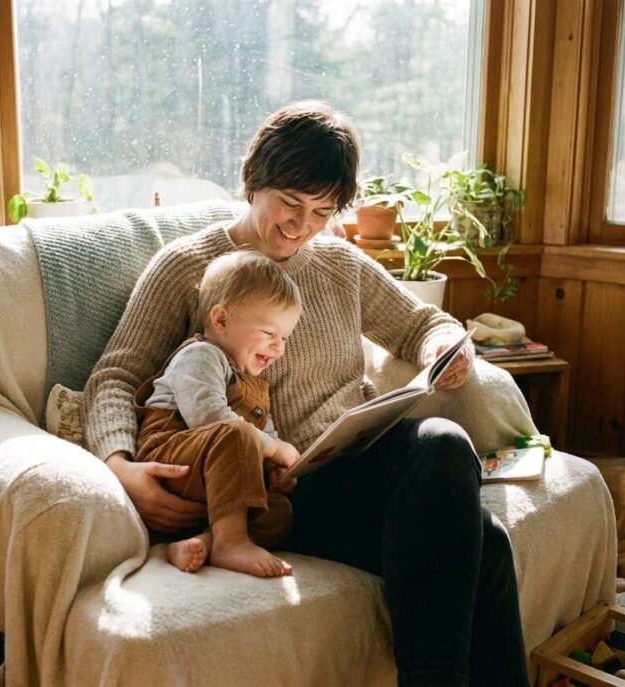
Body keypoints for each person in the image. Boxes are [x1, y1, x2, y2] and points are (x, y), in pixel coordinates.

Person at [84, 100, 530, 687]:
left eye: (321, 212)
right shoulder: (187, 267)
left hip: (355, 463)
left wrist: (444, 349)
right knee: (485, 541)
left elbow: (423, 323)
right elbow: (115, 376)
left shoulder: (341, 266)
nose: (300, 226)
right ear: (254, 181)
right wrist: (121, 468)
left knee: (444, 441)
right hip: (270, 491)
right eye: (289, 204)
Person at [134, 250, 302, 578]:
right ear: (221, 319)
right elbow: (210, 418)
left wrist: (278, 469)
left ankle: (203, 542)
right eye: (270, 334)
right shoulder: (201, 357)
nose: (278, 347)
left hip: (218, 484)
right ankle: (231, 542)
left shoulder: (254, 387)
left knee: (280, 511)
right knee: (236, 432)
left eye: (284, 338)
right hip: (174, 460)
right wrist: (273, 449)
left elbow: (266, 437)